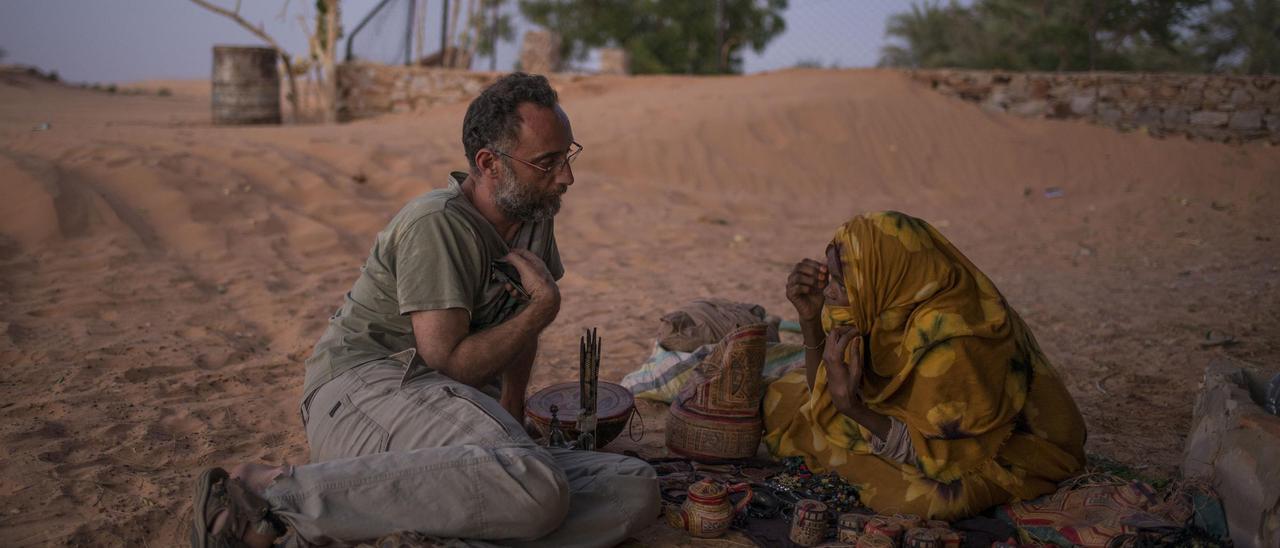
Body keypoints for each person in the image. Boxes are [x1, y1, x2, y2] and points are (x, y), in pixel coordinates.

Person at [189, 73, 660, 547]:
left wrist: (512, 406)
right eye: (547, 163)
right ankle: (268, 495)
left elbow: (514, 327)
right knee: (534, 487)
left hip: (456, 410)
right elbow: (449, 362)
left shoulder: (534, 215)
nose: (566, 177)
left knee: (630, 487)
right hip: (370, 390)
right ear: (489, 163)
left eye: (568, 155)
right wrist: (542, 308)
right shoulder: (436, 224)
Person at [767, 211, 1086, 520]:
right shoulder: (884, 308)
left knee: (934, 502)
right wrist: (809, 319)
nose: (829, 292)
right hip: (902, 430)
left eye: (840, 281)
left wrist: (853, 408)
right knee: (782, 400)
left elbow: (947, 459)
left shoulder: (954, 345)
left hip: (986, 451)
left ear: (885, 276)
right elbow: (819, 392)